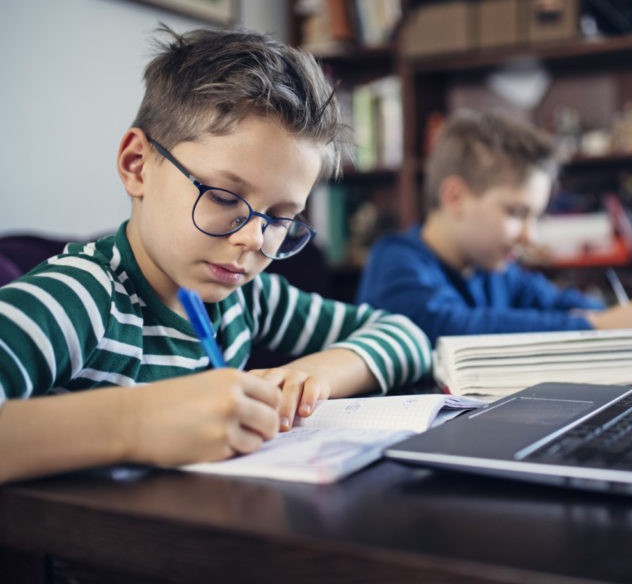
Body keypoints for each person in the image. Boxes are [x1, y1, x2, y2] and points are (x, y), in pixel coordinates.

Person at [0, 25, 430, 484]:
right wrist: (138, 423)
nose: (253, 240)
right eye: (225, 197)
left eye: (281, 218)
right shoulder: (78, 297)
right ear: (136, 165)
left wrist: (313, 374)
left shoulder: (246, 298)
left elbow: (406, 336)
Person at [356, 109, 632, 345]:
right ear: (456, 197)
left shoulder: (495, 270)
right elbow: (451, 326)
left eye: (536, 218)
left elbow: (559, 301)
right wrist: (595, 326)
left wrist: (609, 315)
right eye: (517, 213)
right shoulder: (394, 261)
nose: (530, 236)